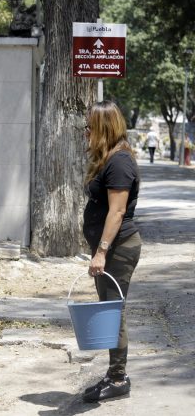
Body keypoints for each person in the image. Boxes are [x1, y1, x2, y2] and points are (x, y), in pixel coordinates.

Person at [81, 101, 141, 403]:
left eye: (90, 126)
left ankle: (118, 378)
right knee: (109, 310)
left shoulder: (119, 163)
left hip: (118, 249)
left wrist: (102, 251)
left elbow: (116, 212)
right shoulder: (110, 159)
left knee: (113, 312)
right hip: (112, 249)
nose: (86, 131)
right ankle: (114, 374)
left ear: (105, 128)